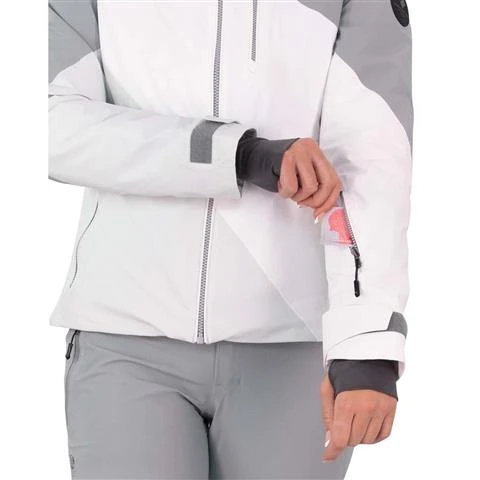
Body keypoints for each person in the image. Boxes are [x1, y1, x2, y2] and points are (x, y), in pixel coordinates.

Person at [48, 0, 413, 478]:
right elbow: (50, 124)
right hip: (125, 334)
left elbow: (370, 157)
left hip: (291, 345)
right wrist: (237, 154)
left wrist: (366, 340)